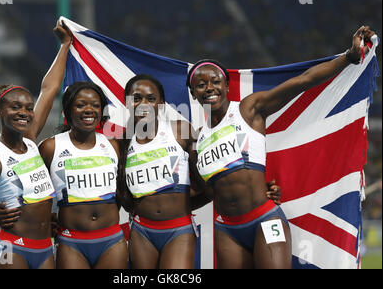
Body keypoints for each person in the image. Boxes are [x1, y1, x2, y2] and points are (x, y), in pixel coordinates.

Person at [186, 26, 375, 269]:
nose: (209, 87)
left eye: (215, 81)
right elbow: (210, 191)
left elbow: (302, 82)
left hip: (264, 220)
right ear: (193, 93)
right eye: (201, 85)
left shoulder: (247, 109)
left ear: (226, 86)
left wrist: (348, 57)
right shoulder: (198, 141)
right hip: (226, 229)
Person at [116, 74, 282, 269]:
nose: (143, 104)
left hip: (179, 229)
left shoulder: (181, 131)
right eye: (136, 98)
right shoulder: (122, 144)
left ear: (161, 104)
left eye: (151, 98)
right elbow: (124, 198)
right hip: (141, 231)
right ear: (127, 103)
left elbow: (209, 181)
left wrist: (256, 190)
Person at [0, 20, 73, 269]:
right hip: (10, 249)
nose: (24, 113)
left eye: (28, 108)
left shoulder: (30, 141)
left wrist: (66, 46)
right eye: (15, 107)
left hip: (45, 249)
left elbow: (49, 89)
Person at [40, 81, 128, 269]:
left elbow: (119, 193)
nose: (89, 110)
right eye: (80, 105)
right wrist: (45, 218)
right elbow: (34, 193)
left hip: (111, 240)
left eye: (95, 105)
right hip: (71, 242)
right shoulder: (50, 147)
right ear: (68, 110)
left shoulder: (113, 145)